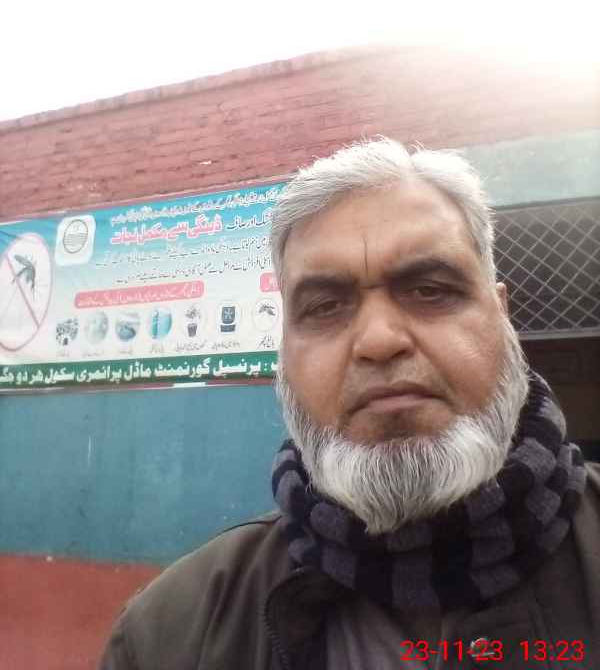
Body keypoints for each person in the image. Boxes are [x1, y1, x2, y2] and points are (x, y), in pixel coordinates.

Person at [100, 137, 600, 669]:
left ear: (501, 315)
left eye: (430, 289)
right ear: (285, 351)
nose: (379, 340)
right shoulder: (169, 636)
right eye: (324, 307)